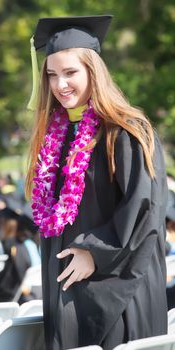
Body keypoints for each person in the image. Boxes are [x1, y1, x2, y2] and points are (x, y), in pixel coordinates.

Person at [25, 15, 168, 350]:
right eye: (51, 75)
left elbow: (146, 208)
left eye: (70, 72)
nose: (60, 85)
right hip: (68, 293)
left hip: (118, 292)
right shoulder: (55, 139)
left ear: (94, 70)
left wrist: (96, 253)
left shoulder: (126, 131)